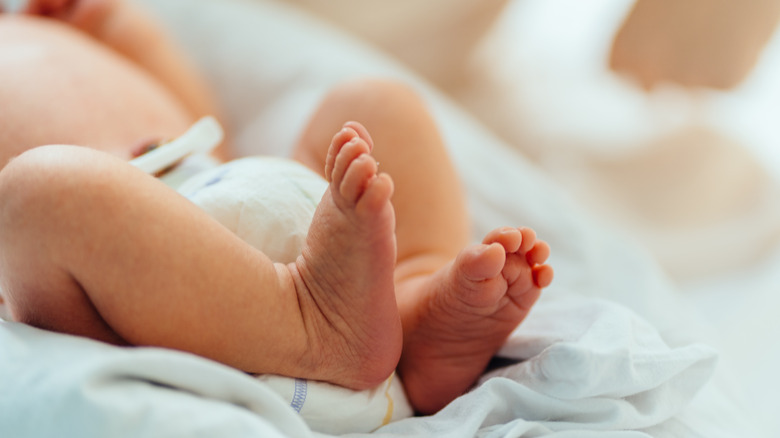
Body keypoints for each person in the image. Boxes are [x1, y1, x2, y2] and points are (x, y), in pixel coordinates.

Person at [0, 0, 553, 415]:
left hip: (236, 184)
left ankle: (412, 303)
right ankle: (310, 327)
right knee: (34, 196)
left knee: (376, 102)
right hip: (128, 280)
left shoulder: (40, 23)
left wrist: (108, 25)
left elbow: (198, 113)